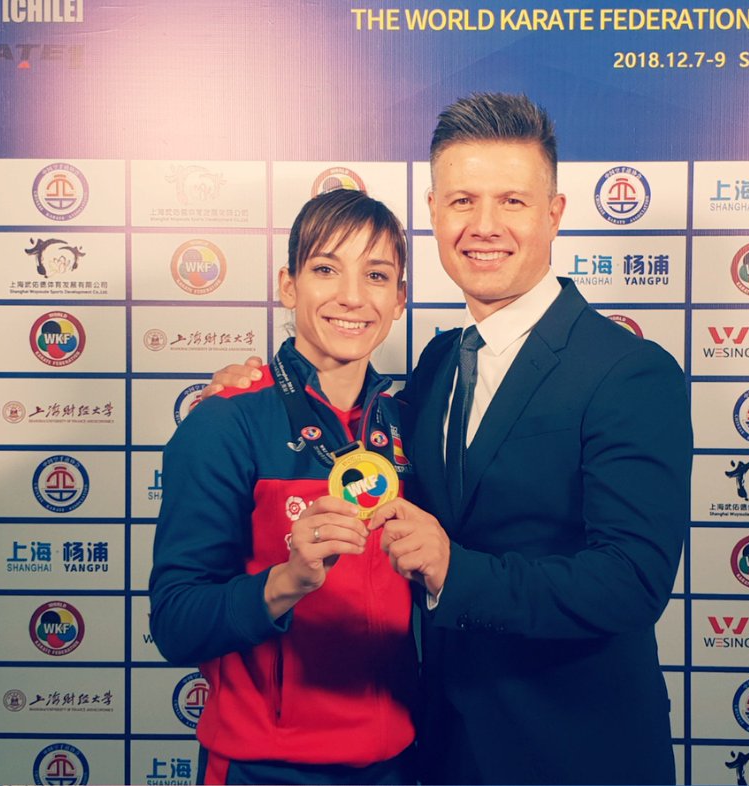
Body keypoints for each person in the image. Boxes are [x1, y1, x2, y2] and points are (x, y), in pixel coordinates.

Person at [206, 93, 692, 785]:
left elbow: (630, 582)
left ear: (553, 214)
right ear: (433, 212)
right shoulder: (435, 366)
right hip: (435, 750)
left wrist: (452, 571)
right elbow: (334, 420)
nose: (483, 226)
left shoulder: (629, 372)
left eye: (512, 203)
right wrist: (247, 383)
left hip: (574, 754)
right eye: (462, 201)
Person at [149, 188, 417, 785]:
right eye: (326, 269)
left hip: (397, 764)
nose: (352, 296)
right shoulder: (227, 421)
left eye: (376, 275)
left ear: (399, 300)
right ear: (288, 286)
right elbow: (175, 621)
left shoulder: (409, 427)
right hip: (264, 769)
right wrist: (285, 583)